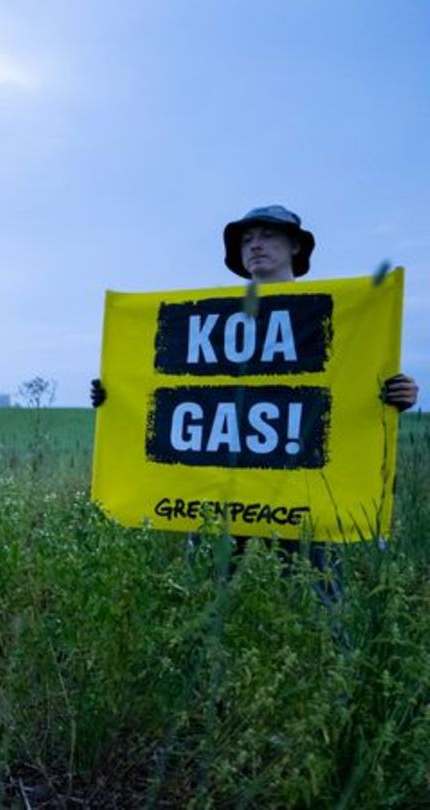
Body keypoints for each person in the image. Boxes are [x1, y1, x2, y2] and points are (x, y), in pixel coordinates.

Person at [92, 205, 418, 586]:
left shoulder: (335, 315)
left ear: (295, 245)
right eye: (246, 240)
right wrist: (112, 396)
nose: (255, 246)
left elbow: (355, 383)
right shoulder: (212, 319)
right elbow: (156, 386)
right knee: (208, 591)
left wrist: (398, 394)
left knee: (316, 599)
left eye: (267, 236)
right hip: (220, 494)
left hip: (302, 497)